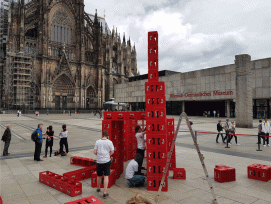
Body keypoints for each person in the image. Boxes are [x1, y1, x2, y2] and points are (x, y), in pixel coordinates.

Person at [94, 130, 114, 198]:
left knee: (99, 175)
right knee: (106, 176)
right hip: (106, 161)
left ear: (102, 135)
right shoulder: (109, 142)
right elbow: (112, 151)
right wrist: (108, 155)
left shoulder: (97, 141)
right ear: (107, 135)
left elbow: (95, 152)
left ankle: (98, 188)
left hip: (99, 161)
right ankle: (105, 192)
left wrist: (98, 155)